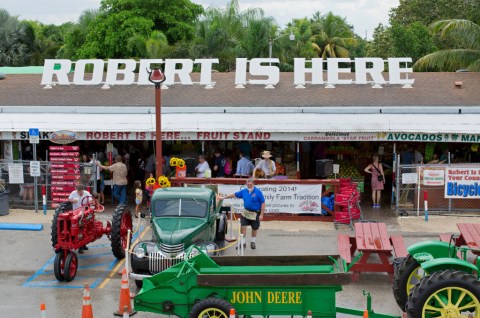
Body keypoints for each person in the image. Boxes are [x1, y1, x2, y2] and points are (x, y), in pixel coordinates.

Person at [219, 178, 265, 250]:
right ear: (246, 184)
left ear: (253, 184)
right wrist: (224, 197)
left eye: (250, 184)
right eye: (248, 184)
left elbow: (263, 203)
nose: (249, 185)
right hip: (246, 212)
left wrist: (261, 214)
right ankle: (243, 243)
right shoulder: (244, 191)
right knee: (243, 227)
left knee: (254, 228)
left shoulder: (258, 192)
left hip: (255, 213)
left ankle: (253, 242)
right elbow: (234, 194)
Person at [67, 184, 92, 253]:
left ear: (82, 190)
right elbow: (68, 199)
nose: (79, 193)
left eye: (80, 191)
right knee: (79, 229)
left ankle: (83, 245)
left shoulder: (86, 193)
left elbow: (90, 200)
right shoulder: (73, 193)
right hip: (76, 213)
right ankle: (80, 247)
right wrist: (72, 201)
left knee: (85, 229)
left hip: (84, 213)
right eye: (78, 191)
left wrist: (89, 201)